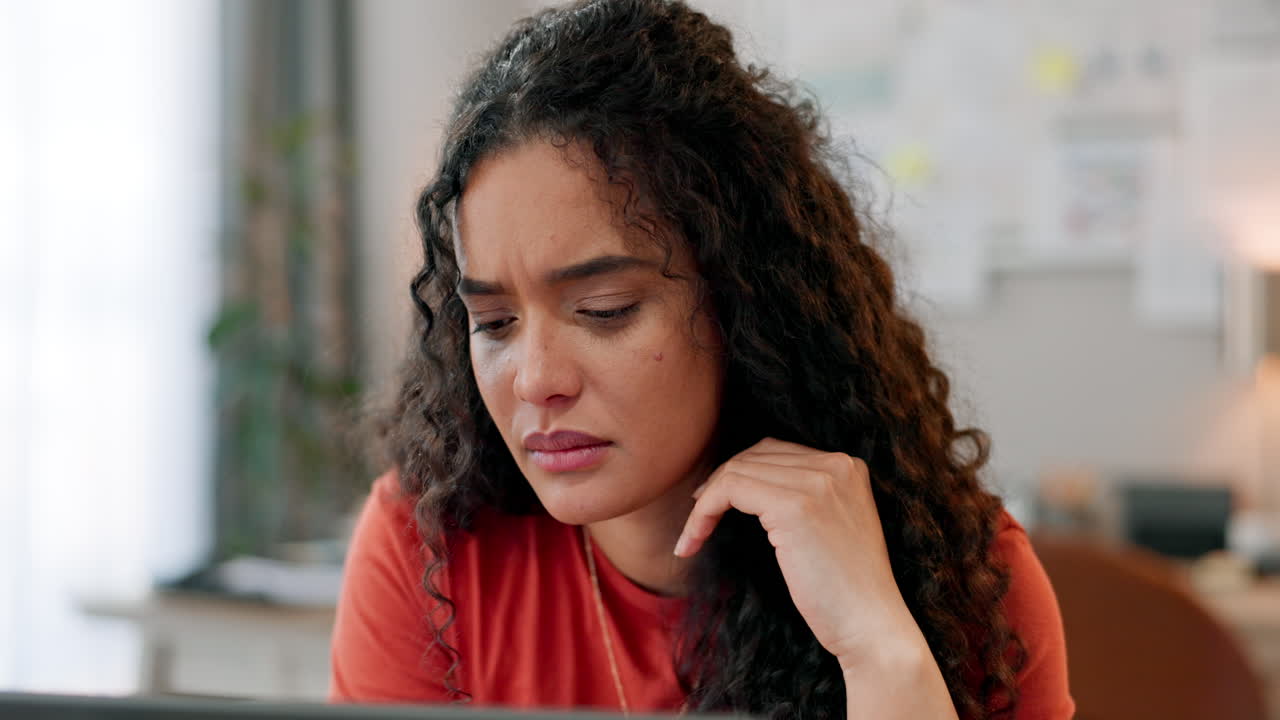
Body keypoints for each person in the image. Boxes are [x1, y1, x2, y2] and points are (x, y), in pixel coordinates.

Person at [329, 1, 1074, 718]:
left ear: (742, 303)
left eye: (604, 310)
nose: (535, 379)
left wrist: (880, 651)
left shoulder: (964, 575)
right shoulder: (428, 546)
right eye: (492, 322)